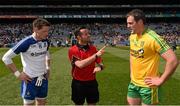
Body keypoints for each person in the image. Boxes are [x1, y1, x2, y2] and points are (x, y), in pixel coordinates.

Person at [126, 9, 179, 105]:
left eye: (130, 23)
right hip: (133, 83)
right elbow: (132, 55)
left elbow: (173, 60)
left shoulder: (153, 38)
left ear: (140, 22)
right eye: (127, 23)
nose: (128, 26)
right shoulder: (132, 36)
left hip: (148, 86)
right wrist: (131, 73)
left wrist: (161, 79)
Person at [2, 18, 51, 105]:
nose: (47, 34)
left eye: (48, 31)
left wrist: (47, 68)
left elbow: (46, 53)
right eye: (44, 31)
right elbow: (6, 58)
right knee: (29, 104)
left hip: (43, 78)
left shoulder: (46, 41)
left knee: (41, 102)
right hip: (30, 80)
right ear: (35, 29)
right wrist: (18, 74)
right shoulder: (26, 42)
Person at [68, 26, 105, 105]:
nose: (89, 35)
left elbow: (101, 63)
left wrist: (100, 67)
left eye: (89, 33)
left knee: (92, 103)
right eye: (86, 34)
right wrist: (95, 55)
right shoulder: (72, 50)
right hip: (78, 83)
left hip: (92, 82)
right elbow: (80, 65)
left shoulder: (93, 48)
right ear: (78, 37)